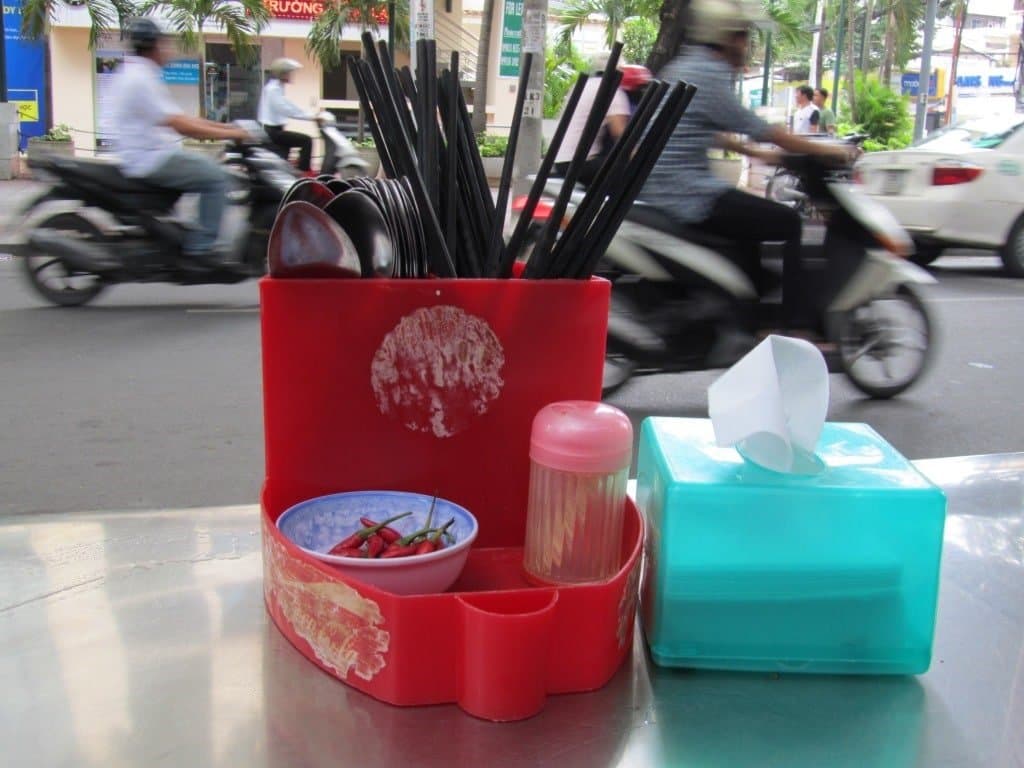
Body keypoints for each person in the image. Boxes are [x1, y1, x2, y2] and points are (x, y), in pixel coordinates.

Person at [640, 0, 852, 325]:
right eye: (743, 36)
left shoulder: (681, 67)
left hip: (663, 188)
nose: (746, 45)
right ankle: (797, 325)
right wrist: (828, 151)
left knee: (750, 220)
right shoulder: (709, 73)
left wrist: (758, 154)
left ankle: (747, 311)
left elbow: (702, 128)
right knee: (789, 222)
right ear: (727, 37)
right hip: (689, 194)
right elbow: (762, 129)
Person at [111, 18, 250, 265]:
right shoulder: (142, 78)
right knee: (216, 177)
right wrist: (233, 134)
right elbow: (183, 126)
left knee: (204, 170)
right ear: (153, 46)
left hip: (147, 154)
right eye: (164, 44)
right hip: (151, 158)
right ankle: (202, 249)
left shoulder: (137, 72)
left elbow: (183, 118)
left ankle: (183, 237)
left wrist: (229, 128)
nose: (168, 49)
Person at [552, 54, 639, 186]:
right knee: (630, 170)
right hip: (580, 164)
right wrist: (637, 156)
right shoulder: (613, 92)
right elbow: (620, 135)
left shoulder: (582, 86)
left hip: (558, 160)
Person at [258, 58, 320, 174]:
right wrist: (312, 117)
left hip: (276, 130)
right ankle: (304, 173)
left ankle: (294, 172)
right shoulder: (273, 89)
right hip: (273, 132)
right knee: (307, 141)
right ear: (283, 73)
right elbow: (286, 109)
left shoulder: (277, 87)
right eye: (290, 72)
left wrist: (311, 115)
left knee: (286, 157)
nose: (292, 75)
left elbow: (290, 106)